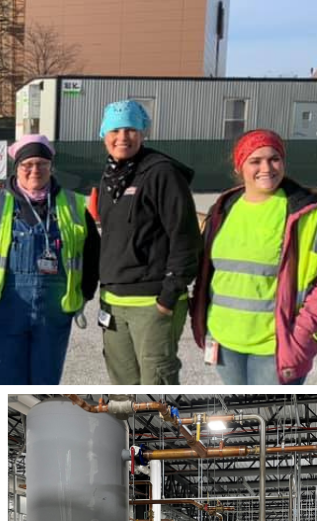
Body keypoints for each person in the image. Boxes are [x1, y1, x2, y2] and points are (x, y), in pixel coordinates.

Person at [189, 128, 317, 385]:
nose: (266, 168)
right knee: (240, 409)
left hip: (276, 346)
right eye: (255, 161)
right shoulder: (222, 211)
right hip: (224, 340)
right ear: (239, 167)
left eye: (274, 159)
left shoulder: (311, 216)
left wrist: (303, 329)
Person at [0, 134, 100, 383]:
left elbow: (92, 254)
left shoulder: (73, 205)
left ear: (51, 166)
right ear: (17, 167)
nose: (35, 170)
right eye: (27, 164)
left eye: (42, 164)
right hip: (1, 311)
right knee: (2, 382)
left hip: (53, 313)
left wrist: (85, 294)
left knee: (44, 385)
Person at [96, 99, 201, 384]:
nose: (122, 137)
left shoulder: (161, 173)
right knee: (123, 387)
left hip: (152, 302)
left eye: (130, 129)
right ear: (103, 135)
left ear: (143, 132)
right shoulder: (110, 176)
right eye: (115, 130)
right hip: (114, 301)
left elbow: (185, 237)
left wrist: (168, 296)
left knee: (156, 385)